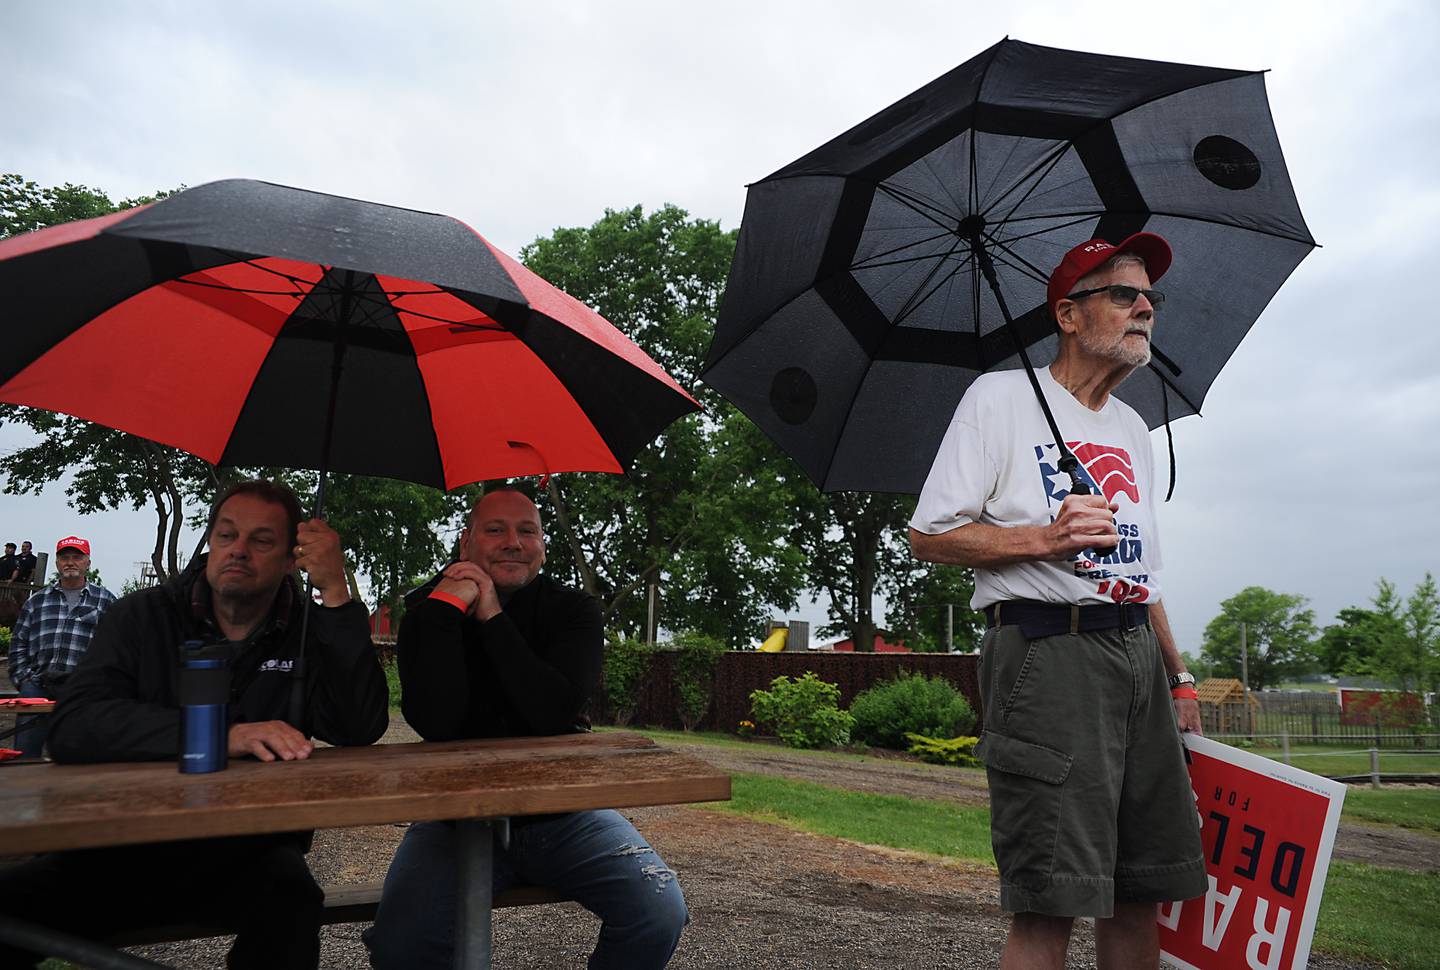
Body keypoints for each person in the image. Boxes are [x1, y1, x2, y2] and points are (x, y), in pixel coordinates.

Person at [909, 233, 1206, 970]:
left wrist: (1181, 675)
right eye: (1123, 295)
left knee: (1143, 888)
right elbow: (930, 535)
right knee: (1055, 899)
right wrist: (1044, 538)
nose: (1144, 309)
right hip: (1049, 652)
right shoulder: (1000, 398)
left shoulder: (1133, 428)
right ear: (1069, 316)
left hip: (1135, 651)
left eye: (1149, 299)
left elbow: (1145, 571)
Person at [0, 480, 389, 970]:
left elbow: (360, 725)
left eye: (261, 541)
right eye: (226, 535)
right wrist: (223, 735)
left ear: (293, 559)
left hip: (251, 847)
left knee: (292, 902)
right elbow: (76, 726)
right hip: (119, 846)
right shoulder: (141, 616)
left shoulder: (307, 629)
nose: (238, 551)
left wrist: (337, 594)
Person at [364, 487, 687, 970]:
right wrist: (445, 609)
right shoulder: (428, 613)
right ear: (465, 544)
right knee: (400, 946)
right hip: (456, 816)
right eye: (495, 530)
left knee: (658, 912)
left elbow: (552, 712)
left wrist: (492, 615)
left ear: (542, 546)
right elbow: (436, 721)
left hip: (562, 811)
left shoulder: (574, 612)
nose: (513, 542)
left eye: (527, 530)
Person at [7, 536, 117, 758]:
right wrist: (24, 679)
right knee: (25, 756)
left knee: (80, 759)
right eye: (64, 557)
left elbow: (117, 648)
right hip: (38, 684)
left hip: (83, 688)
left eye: (77, 557)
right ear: (57, 563)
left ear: (88, 562)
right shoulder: (37, 601)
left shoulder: (105, 601)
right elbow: (18, 643)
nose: (70, 562)